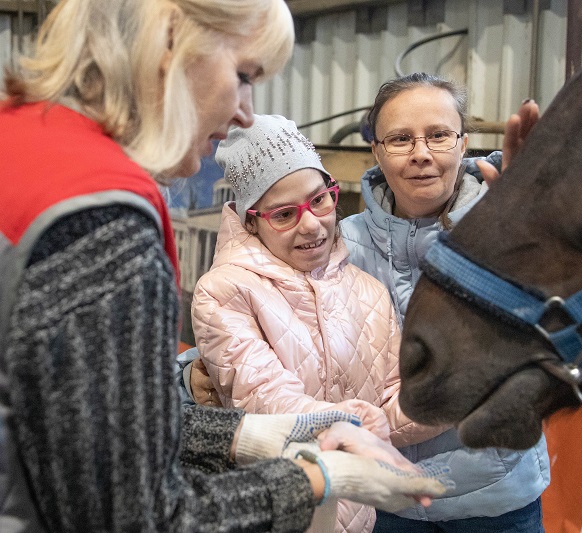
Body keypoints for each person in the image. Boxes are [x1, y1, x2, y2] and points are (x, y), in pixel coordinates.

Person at [0, 2, 450, 531]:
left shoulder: (21, 146)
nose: (243, 111)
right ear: (167, 42)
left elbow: (85, 426)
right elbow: (137, 516)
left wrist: (253, 436)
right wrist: (316, 477)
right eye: (242, 76)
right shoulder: (100, 216)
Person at [191, 113, 447, 532]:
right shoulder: (223, 292)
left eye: (320, 200)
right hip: (272, 514)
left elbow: (393, 400)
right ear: (251, 221)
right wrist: (362, 428)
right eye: (284, 214)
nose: (312, 223)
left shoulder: (367, 290)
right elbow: (269, 403)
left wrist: (457, 397)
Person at [338, 72, 549, 533]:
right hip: (382, 502)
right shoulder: (338, 245)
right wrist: (194, 371)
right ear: (375, 150)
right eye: (399, 139)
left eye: (438, 135)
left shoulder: (509, 225)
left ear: (464, 143)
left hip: (497, 502)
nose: (421, 154)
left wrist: (533, 229)